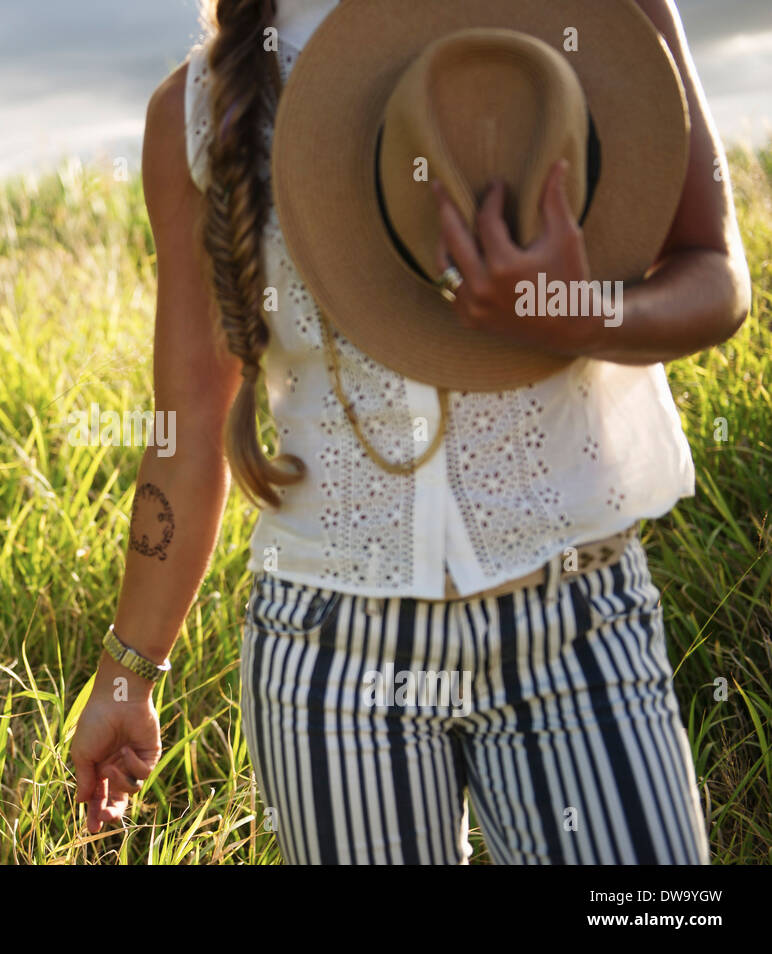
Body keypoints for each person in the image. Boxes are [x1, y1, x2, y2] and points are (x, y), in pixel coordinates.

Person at [68, 0, 750, 864]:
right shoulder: (198, 110)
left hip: (578, 620)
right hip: (328, 655)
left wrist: (576, 312)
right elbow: (188, 427)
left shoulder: (603, 14)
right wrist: (129, 672)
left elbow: (717, 277)